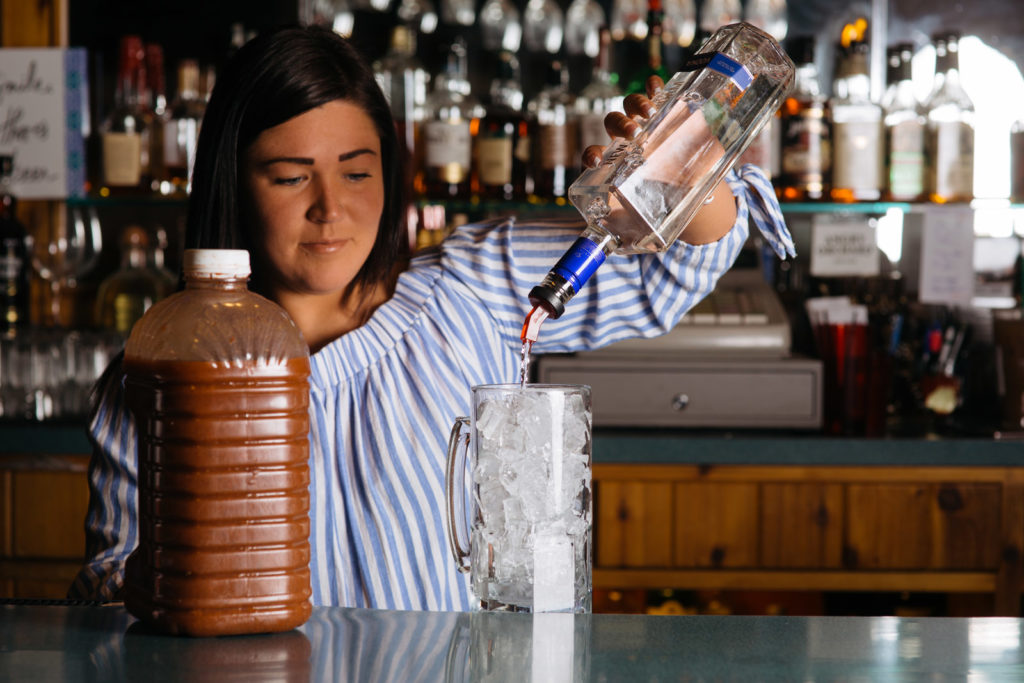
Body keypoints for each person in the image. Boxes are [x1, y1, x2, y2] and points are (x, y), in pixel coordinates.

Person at [69, 25, 794, 610]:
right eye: (291, 177)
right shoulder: (163, 379)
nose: (330, 207)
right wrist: (160, 579)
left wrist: (679, 163)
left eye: (357, 171)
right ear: (233, 179)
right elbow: (103, 592)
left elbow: (680, 267)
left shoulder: (474, 285)